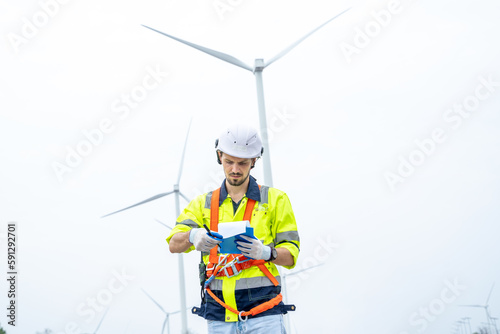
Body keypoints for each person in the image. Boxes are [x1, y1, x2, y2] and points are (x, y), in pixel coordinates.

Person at [167, 124, 300, 333]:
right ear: (219, 156)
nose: (235, 169)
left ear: (254, 161)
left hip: (264, 313)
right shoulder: (202, 204)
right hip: (219, 314)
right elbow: (174, 244)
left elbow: (291, 256)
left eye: (242, 163)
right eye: (229, 162)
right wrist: (193, 236)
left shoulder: (276, 200)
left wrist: (267, 252)